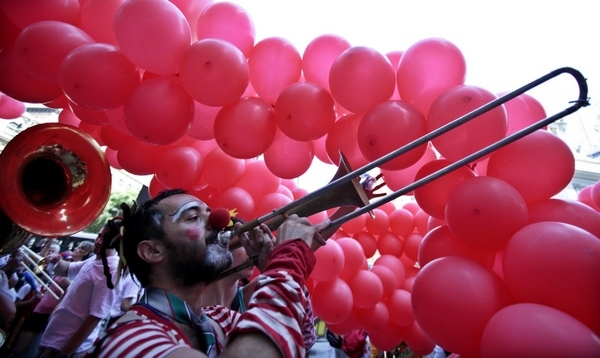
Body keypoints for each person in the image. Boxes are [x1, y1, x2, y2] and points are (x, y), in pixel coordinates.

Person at [91, 188, 330, 357]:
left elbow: (303, 338)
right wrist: (287, 264)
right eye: (193, 217)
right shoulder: (130, 340)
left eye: (209, 213)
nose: (219, 221)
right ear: (153, 251)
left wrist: (270, 268)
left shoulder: (217, 318)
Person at [35, 217, 124, 357]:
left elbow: (95, 317)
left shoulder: (111, 272)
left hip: (64, 347)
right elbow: (66, 270)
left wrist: (66, 351)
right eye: (99, 236)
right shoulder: (96, 260)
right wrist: (57, 259)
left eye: (105, 239)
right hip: (54, 339)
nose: (99, 241)